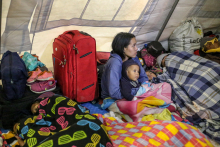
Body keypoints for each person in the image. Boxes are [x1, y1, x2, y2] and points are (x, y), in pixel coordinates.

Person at [154, 51, 220, 143]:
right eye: (163, 63)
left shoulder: (176, 55)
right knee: (197, 84)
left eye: (163, 61)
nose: (165, 62)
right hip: (205, 75)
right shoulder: (172, 63)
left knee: (208, 74)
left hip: (209, 71)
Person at [101, 32, 148, 99]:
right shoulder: (114, 63)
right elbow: (114, 93)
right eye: (133, 45)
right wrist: (135, 93)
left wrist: (145, 88)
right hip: (114, 99)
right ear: (124, 48)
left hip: (133, 92)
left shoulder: (134, 58)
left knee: (164, 87)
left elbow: (143, 78)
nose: (136, 48)